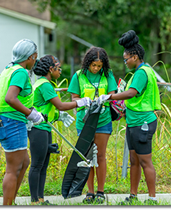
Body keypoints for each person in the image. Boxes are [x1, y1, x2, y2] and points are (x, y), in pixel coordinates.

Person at [106, 30, 162, 204]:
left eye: (126, 59)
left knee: (145, 161)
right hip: (133, 122)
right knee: (134, 160)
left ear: (135, 56)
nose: (125, 62)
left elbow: (131, 93)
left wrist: (111, 97)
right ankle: (133, 196)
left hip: (142, 123)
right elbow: (135, 98)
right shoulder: (143, 71)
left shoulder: (141, 73)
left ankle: (152, 198)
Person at [28, 55, 89, 205]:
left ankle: (40, 199)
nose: (60, 71)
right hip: (38, 128)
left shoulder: (41, 83)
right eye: (58, 68)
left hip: (45, 127)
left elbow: (49, 107)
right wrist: (81, 102)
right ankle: (35, 200)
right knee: (37, 165)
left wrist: (58, 116)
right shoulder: (45, 85)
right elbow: (60, 105)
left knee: (43, 165)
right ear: (51, 69)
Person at [0, 39, 44, 205]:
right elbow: (10, 98)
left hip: (1, 120)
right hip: (12, 122)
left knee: (24, 162)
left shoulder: (8, 69)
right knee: (13, 169)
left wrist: (30, 111)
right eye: (35, 57)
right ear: (30, 56)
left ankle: (11, 200)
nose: (35, 60)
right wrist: (31, 115)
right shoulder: (20, 72)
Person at [67, 46, 117, 204]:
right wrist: (83, 101)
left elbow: (114, 94)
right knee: (87, 157)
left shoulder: (107, 75)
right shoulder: (79, 76)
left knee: (100, 156)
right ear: (87, 63)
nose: (96, 69)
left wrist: (106, 97)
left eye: (99, 66)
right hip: (85, 121)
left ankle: (100, 191)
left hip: (103, 120)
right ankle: (90, 192)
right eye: (93, 65)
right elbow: (73, 98)